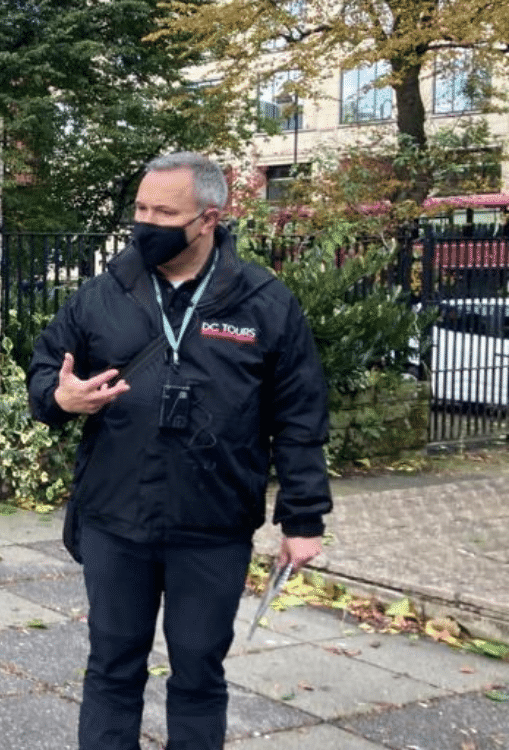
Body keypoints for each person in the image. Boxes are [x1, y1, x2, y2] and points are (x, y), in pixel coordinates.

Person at [27, 152, 332, 749]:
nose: (146, 222)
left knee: (198, 675)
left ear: (209, 219)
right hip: (116, 520)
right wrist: (59, 398)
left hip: (213, 527)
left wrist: (303, 518)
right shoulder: (102, 294)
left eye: (164, 212)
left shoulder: (265, 304)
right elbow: (44, 372)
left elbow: (299, 417)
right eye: (140, 208)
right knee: (112, 669)